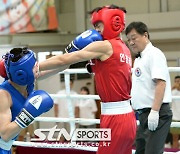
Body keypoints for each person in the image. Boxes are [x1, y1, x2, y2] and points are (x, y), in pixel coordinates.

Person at [35, 4, 137, 154]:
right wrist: (38, 74)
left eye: (99, 25)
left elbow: (67, 59)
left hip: (115, 119)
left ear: (113, 22)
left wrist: (36, 66)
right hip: (127, 117)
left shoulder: (105, 46)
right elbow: (66, 64)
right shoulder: (125, 49)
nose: (96, 30)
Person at [125, 21, 173, 154]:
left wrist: (155, 111)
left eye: (134, 38)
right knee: (140, 151)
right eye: (128, 40)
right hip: (143, 114)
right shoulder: (139, 58)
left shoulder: (154, 54)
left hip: (157, 113)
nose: (131, 42)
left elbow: (161, 83)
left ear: (145, 35)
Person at [0, 47, 54, 154]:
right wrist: (28, 115)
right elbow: (5, 134)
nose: (38, 69)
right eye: (35, 67)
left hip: (6, 148)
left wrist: (77, 51)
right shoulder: (3, 94)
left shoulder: (27, 84)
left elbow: (60, 64)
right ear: (24, 74)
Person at [170, 75, 180, 148]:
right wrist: (172, 88)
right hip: (175, 118)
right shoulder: (172, 92)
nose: (177, 83)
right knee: (175, 138)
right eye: (176, 81)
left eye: (179, 81)